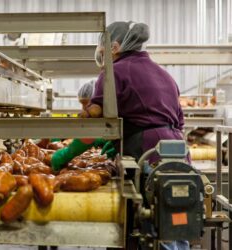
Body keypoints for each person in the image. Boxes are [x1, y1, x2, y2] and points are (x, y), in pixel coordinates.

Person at [51, 21, 188, 250]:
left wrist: (67, 153)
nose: (101, 54)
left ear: (114, 47)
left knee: (151, 223)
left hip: (148, 155)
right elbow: (175, 120)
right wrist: (119, 140)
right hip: (177, 154)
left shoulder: (115, 71)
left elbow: (97, 119)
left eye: (102, 49)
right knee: (177, 218)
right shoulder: (164, 74)